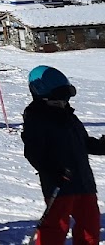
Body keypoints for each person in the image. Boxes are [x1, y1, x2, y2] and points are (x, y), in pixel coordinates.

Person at [22, 65, 105, 245]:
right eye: (60, 98)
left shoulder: (68, 115)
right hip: (59, 183)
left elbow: (83, 143)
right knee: (56, 226)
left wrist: (101, 145)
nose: (64, 102)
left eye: (65, 98)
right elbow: (33, 152)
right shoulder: (36, 117)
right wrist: (52, 171)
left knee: (90, 224)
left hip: (83, 182)